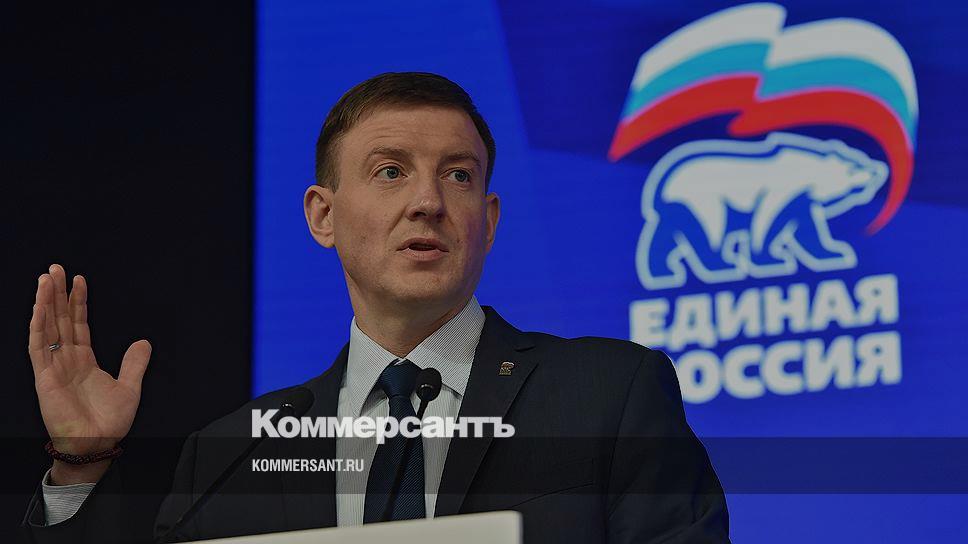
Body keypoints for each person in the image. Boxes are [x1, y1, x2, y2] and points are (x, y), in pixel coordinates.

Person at [22, 72, 730, 543]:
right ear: (322, 216)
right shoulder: (232, 454)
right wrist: (81, 465)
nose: (428, 201)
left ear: (488, 220)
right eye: (391, 171)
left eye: (458, 176)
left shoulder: (609, 395)